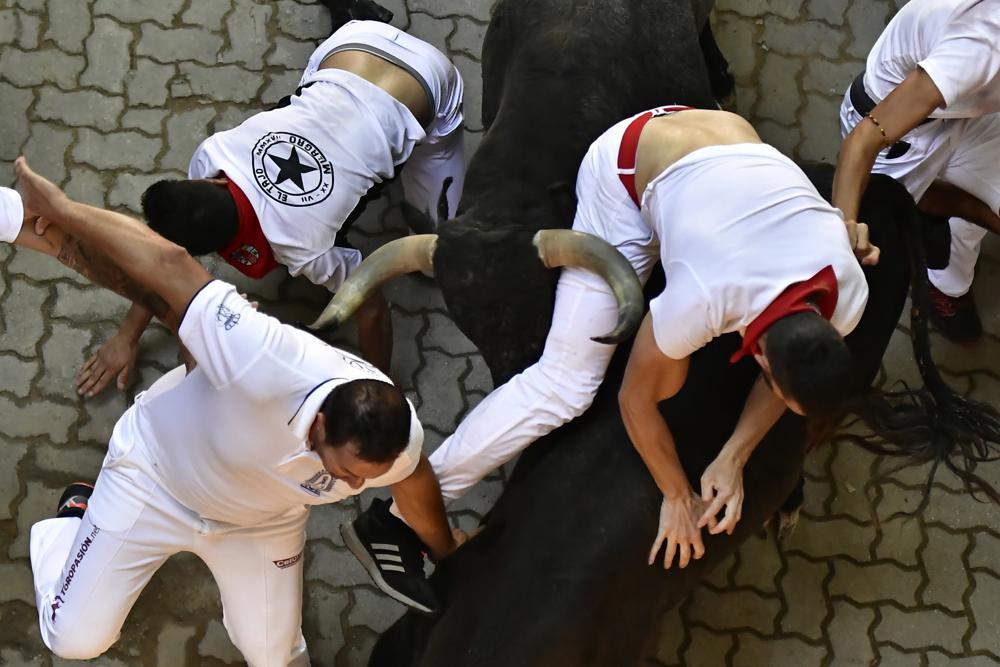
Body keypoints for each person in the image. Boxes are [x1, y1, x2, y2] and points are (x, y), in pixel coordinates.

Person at [341, 107, 869, 600]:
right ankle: (396, 519)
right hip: (628, 171)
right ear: (763, 362)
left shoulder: (848, 291)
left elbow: (786, 382)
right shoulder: (704, 298)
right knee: (566, 385)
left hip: (723, 148)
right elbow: (635, 402)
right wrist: (678, 495)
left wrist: (734, 455)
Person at [16, 156, 459, 665]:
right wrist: (63, 212)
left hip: (261, 524)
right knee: (74, 639)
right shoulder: (263, 355)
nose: (354, 488)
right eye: (345, 473)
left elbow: (414, 480)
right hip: (154, 479)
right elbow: (167, 265)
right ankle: (74, 521)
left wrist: (449, 556)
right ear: (317, 424)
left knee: (277, 659)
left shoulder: (388, 435)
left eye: (364, 478)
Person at [76, 12, 466, 397]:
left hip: (431, 78)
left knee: (437, 252)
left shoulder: (304, 247)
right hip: (352, 46)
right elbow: (164, 252)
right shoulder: (213, 154)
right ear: (207, 182)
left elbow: (374, 310)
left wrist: (382, 388)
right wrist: (127, 335)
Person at [834, 0, 1000, 344]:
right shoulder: (981, 44)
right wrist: (843, 229)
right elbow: (863, 141)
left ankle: (949, 283)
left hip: (963, 113)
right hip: (896, 134)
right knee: (904, 217)